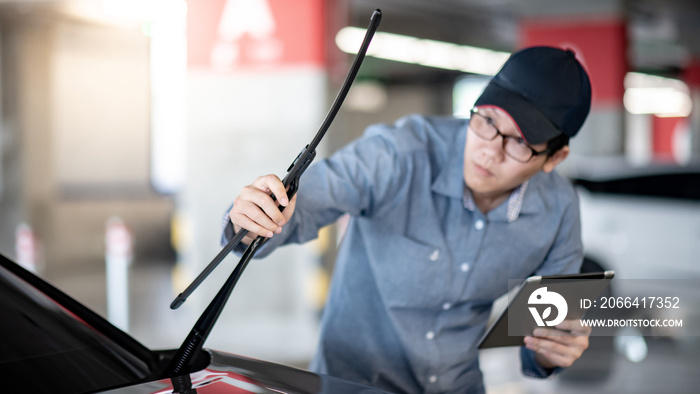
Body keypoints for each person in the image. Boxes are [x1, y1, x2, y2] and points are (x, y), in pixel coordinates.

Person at [222, 46, 593, 393]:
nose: (490, 150)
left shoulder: (559, 211)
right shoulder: (399, 153)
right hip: (351, 385)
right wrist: (254, 216)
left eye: (520, 143)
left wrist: (552, 349)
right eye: (487, 121)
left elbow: (545, 335)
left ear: (554, 159)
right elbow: (304, 205)